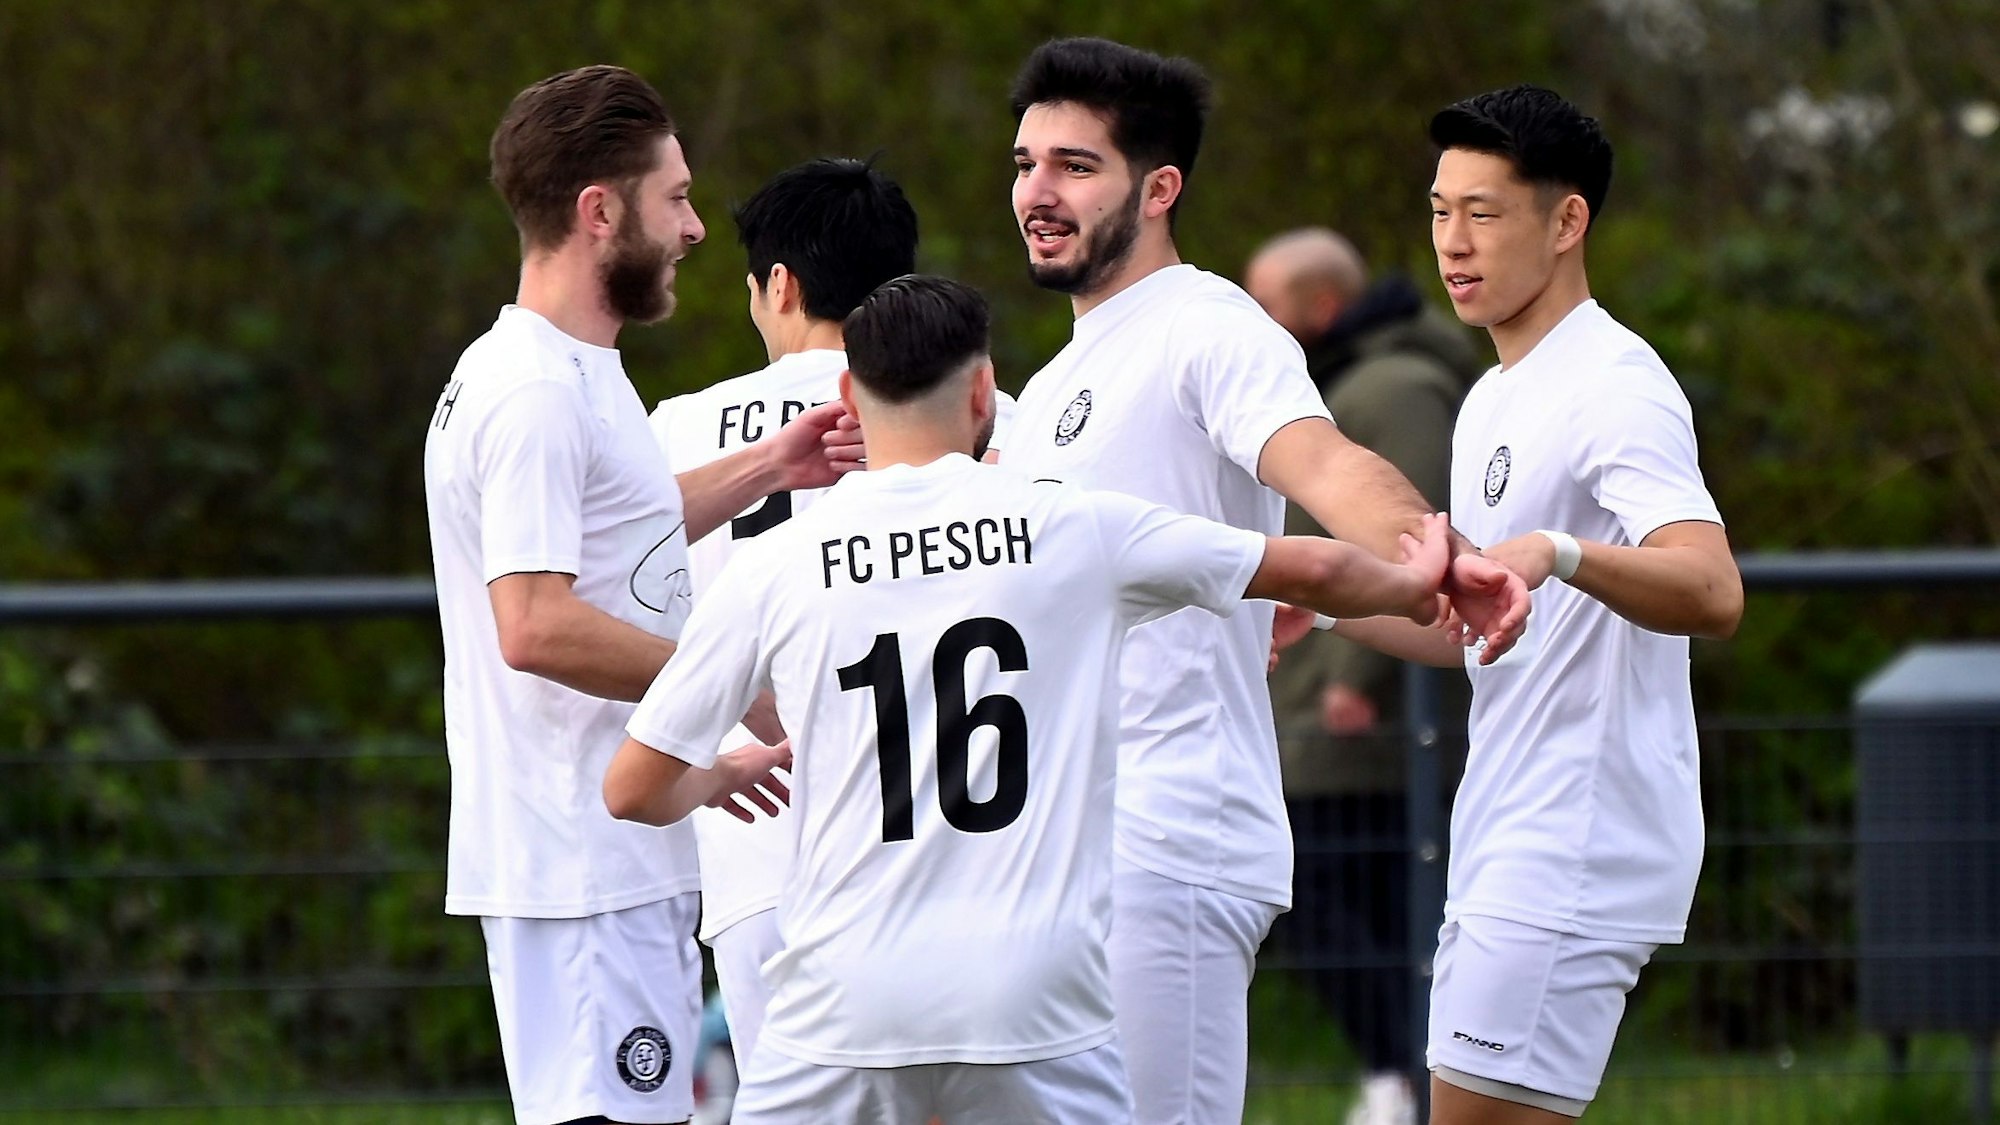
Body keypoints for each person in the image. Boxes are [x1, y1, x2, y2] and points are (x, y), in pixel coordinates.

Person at [600, 274, 1454, 1125]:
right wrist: (1422, 580)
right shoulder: (1072, 526)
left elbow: (632, 789)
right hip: (1034, 995)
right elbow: (1312, 565)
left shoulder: (776, 564)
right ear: (983, 392)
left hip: (843, 993)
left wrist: (722, 776)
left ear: (849, 396)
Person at [1001, 36, 1530, 1123]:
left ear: (1158, 189)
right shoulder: (1050, 383)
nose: (1037, 193)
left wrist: (1427, 551)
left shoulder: (1207, 327)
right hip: (1050, 848)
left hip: (1169, 842)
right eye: (1024, 163)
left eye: (1074, 166)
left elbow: (1324, 464)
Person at [422, 66, 859, 1125]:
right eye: (676, 198)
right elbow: (533, 623)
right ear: (599, 211)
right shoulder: (532, 391)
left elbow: (615, 528)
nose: (696, 229)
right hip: (581, 865)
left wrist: (768, 466)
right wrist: (723, 687)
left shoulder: (573, 368)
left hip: (617, 855)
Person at [1340, 85, 1743, 1122]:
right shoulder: (1493, 394)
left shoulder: (1614, 383)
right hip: (1510, 832)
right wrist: (1313, 609)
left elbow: (1712, 588)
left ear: (1566, 222)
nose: (1452, 241)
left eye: (1484, 212)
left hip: (1572, 845)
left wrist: (1561, 553)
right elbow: (1481, 637)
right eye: (1440, 210)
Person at [646, 155, 926, 1066]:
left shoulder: (676, 427)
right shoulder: (971, 412)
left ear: (781, 285)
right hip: (937, 840)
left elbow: (610, 580)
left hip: (758, 838)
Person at [1245, 227, 1485, 1125]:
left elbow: (1414, 538)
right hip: (1326, 695)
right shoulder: (1340, 388)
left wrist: (1354, 676)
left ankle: (1406, 1076)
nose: (1255, 321)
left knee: (1323, 893)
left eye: (1267, 303)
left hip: (1361, 713)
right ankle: (1406, 1075)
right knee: (1355, 903)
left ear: (1321, 306)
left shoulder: (1395, 389)